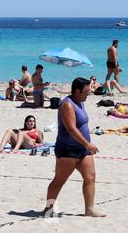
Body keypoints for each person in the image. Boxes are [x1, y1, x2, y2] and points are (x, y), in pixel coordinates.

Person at [43, 77, 105, 217]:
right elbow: (71, 129)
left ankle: (89, 209)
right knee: (59, 181)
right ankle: (48, 209)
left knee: (90, 177)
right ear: (77, 91)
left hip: (82, 149)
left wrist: (86, 145)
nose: (89, 93)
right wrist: (87, 143)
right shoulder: (67, 105)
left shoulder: (81, 102)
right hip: (67, 149)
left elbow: (81, 125)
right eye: (86, 91)